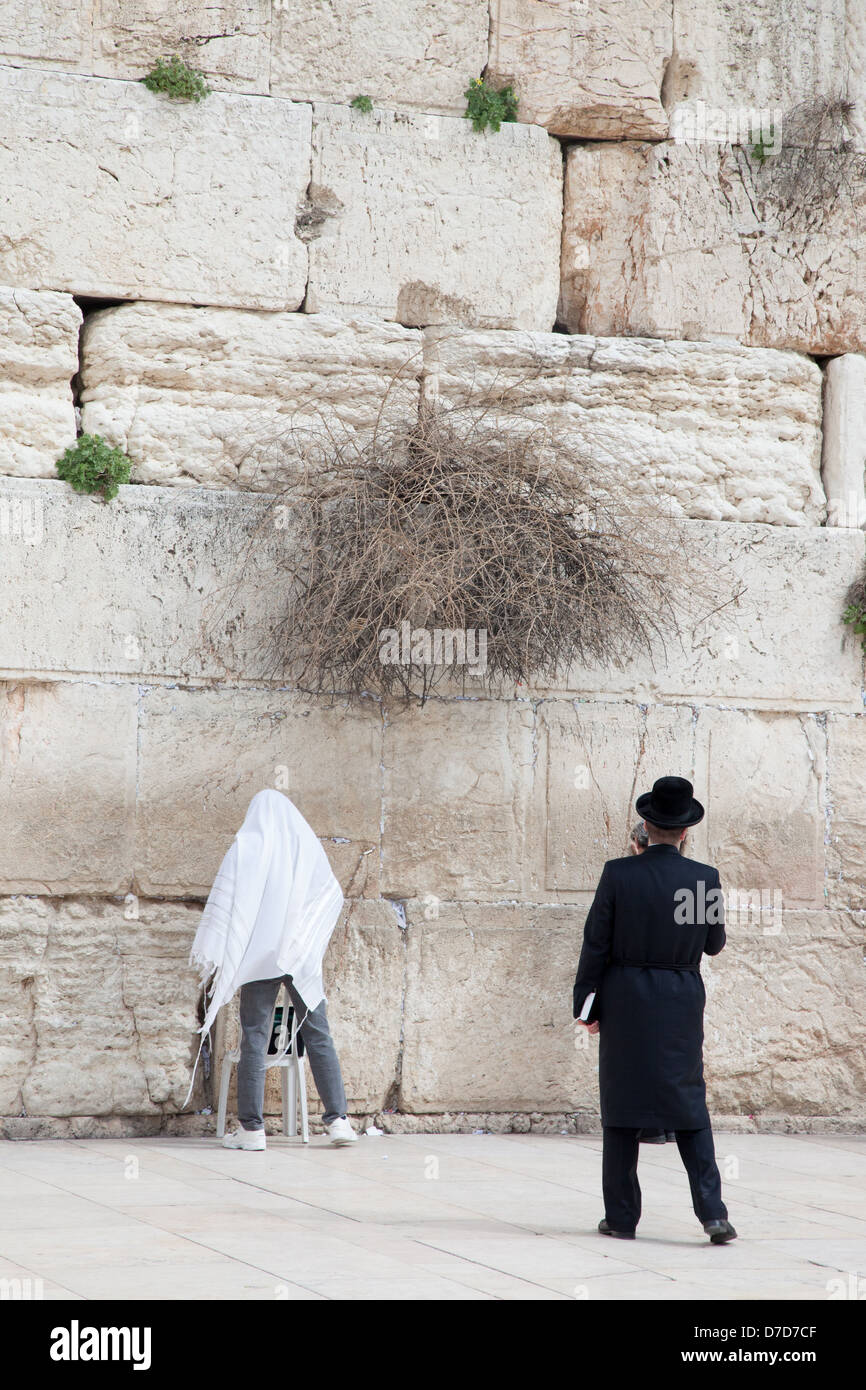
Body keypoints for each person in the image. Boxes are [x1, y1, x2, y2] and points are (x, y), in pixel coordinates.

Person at [573, 776, 736, 1244]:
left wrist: (587, 1005)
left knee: (621, 1105)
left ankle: (622, 1218)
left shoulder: (618, 874)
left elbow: (595, 945)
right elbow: (714, 944)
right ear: (685, 832)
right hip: (682, 996)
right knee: (688, 1101)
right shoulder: (703, 879)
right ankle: (713, 1215)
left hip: (626, 996)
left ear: (646, 825)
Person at [185, 789, 357, 1150]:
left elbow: (229, 903)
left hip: (260, 957)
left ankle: (252, 1131)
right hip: (300, 956)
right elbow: (330, 893)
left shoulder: (248, 846)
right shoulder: (304, 844)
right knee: (318, 1033)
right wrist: (306, 941)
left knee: (255, 1037)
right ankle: (338, 1121)